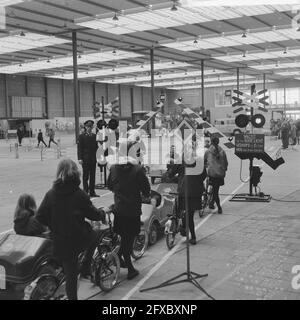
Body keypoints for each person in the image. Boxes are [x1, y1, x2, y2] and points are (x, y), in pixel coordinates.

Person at [36, 159, 108, 300]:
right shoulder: (79, 194)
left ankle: (84, 267)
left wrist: (52, 226)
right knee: (72, 275)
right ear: (76, 174)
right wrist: (103, 213)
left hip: (58, 239)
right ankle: (86, 267)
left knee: (69, 268)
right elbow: (93, 214)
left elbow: (40, 216)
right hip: (76, 240)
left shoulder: (51, 194)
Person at [107, 145, 151, 280]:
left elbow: (109, 185)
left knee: (124, 237)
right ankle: (130, 269)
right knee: (129, 239)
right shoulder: (137, 170)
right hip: (132, 210)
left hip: (119, 210)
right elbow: (146, 189)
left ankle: (119, 259)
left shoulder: (114, 168)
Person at [166, 141, 206, 245]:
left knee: (183, 211)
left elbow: (171, 173)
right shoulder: (199, 161)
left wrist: (174, 177)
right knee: (190, 215)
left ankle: (185, 230)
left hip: (184, 191)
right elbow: (203, 176)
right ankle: (192, 236)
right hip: (195, 192)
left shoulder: (181, 161)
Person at [204, 136, 228, 214]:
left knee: (214, 191)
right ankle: (212, 203)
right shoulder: (222, 151)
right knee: (216, 191)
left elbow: (204, 160)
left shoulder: (208, 152)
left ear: (211, 142)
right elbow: (225, 163)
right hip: (219, 175)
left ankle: (219, 207)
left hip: (211, 174)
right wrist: (224, 169)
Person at [77, 120, 99, 198]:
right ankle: (86, 192)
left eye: (90, 127)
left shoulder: (94, 136)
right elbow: (79, 148)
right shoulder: (81, 136)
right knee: (86, 176)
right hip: (85, 159)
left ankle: (92, 192)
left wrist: (98, 157)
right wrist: (79, 158)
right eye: (88, 126)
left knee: (93, 176)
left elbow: (96, 148)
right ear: (85, 127)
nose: (89, 128)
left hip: (93, 159)